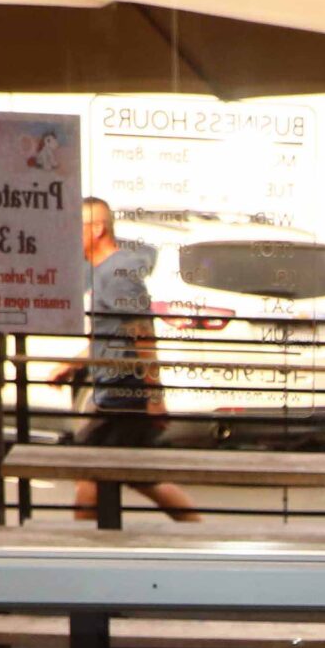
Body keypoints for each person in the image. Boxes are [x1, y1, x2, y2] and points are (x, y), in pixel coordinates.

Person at [49, 198, 198, 523]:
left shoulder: (117, 274)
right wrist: (72, 365)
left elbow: (142, 332)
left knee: (93, 472)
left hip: (125, 394)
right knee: (138, 477)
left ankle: (89, 546)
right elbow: (109, 335)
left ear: (96, 230)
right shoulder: (105, 272)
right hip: (117, 394)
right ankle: (197, 532)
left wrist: (154, 396)